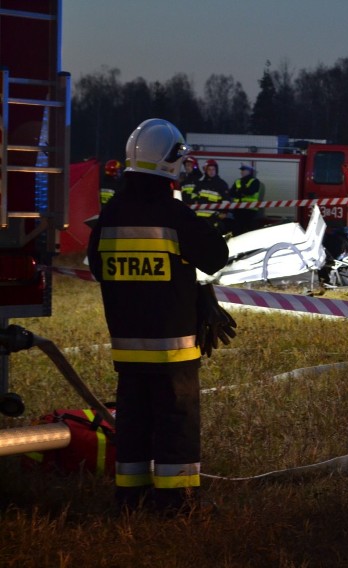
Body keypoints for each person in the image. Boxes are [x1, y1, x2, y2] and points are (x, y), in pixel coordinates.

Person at [87, 118, 231, 514]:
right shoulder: (175, 215)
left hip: (128, 349)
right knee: (176, 424)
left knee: (132, 422)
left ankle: (130, 497)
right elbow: (216, 256)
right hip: (173, 350)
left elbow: (98, 267)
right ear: (168, 163)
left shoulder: (111, 214)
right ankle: (176, 501)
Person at [190, 159, 230, 234]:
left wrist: (224, 212)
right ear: (206, 170)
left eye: (213, 169)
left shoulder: (221, 184)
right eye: (209, 169)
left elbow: (226, 200)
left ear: (216, 170)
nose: (211, 171)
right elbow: (194, 195)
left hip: (213, 216)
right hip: (199, 216)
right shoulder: (200, 183)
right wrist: (194, 201)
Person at [228, 163, 264, 235]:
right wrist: (241, 192)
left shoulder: (255, 181)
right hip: (238, 209)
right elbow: (231, 193)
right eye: (241, 170)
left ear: (249, 171)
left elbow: (250, 192)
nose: (241, 172)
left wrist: (239, 192)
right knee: (237, 230)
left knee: (248, 231)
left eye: (243, 170)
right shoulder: (238, 181)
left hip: (249, 210)